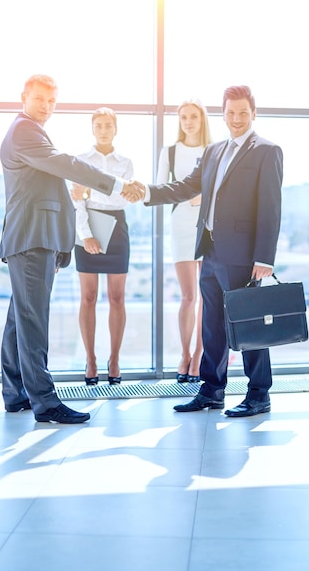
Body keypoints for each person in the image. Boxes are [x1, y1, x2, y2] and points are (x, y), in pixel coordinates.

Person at [0, 74, 143, 424]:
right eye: (39, 99)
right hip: (32, 238)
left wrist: (62, 243)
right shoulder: (24, 131)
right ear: (24, 98)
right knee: (33, 321)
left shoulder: (30, 131)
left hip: (35, 237)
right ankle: (45, 402)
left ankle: (15, 392)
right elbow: (66, 166)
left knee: (20, 319)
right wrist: (115, 183)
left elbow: (50, 187)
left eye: (51, 101)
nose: (46, 106)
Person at [144, 85, 283, 417]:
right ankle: (211, 390)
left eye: (242, 113)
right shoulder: (214, 151)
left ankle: (259, 393)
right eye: (230, 112)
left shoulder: (267, 150)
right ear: (223, 113)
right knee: (212, 324)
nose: (236, 119)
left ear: (254, 114)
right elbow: (185, 186)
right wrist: (147, 193)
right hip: (210, 249)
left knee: (247, 325)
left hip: (244, 254)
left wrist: (265, 257)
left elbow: (271, 207)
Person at [70, 107, 133, 386]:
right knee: (89, 297)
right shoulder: (81, 160)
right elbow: (76, 200)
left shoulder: (126, 162)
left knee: (117, 297)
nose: (104, 130)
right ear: (92, 128)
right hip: (88, 226)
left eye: (108, 125)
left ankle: (115, 360)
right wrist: (86, 235)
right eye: (99, 125)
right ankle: (92, 360)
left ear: (115, 129)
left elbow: (126, 197)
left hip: (117, 228)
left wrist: (90, 189)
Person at [157, 99, 212, 384]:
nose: (188, 122)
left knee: (206, 296)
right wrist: (186, 195)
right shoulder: (170, 152)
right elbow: (160, 189)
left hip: (208, 226)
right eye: (183, 117)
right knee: (188, 296)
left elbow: (223, 190)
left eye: (193, 116)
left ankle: (201, 353)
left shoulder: (214, 150)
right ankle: (185, 353)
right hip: (180, 226)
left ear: (202, 119)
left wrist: (203, 198)